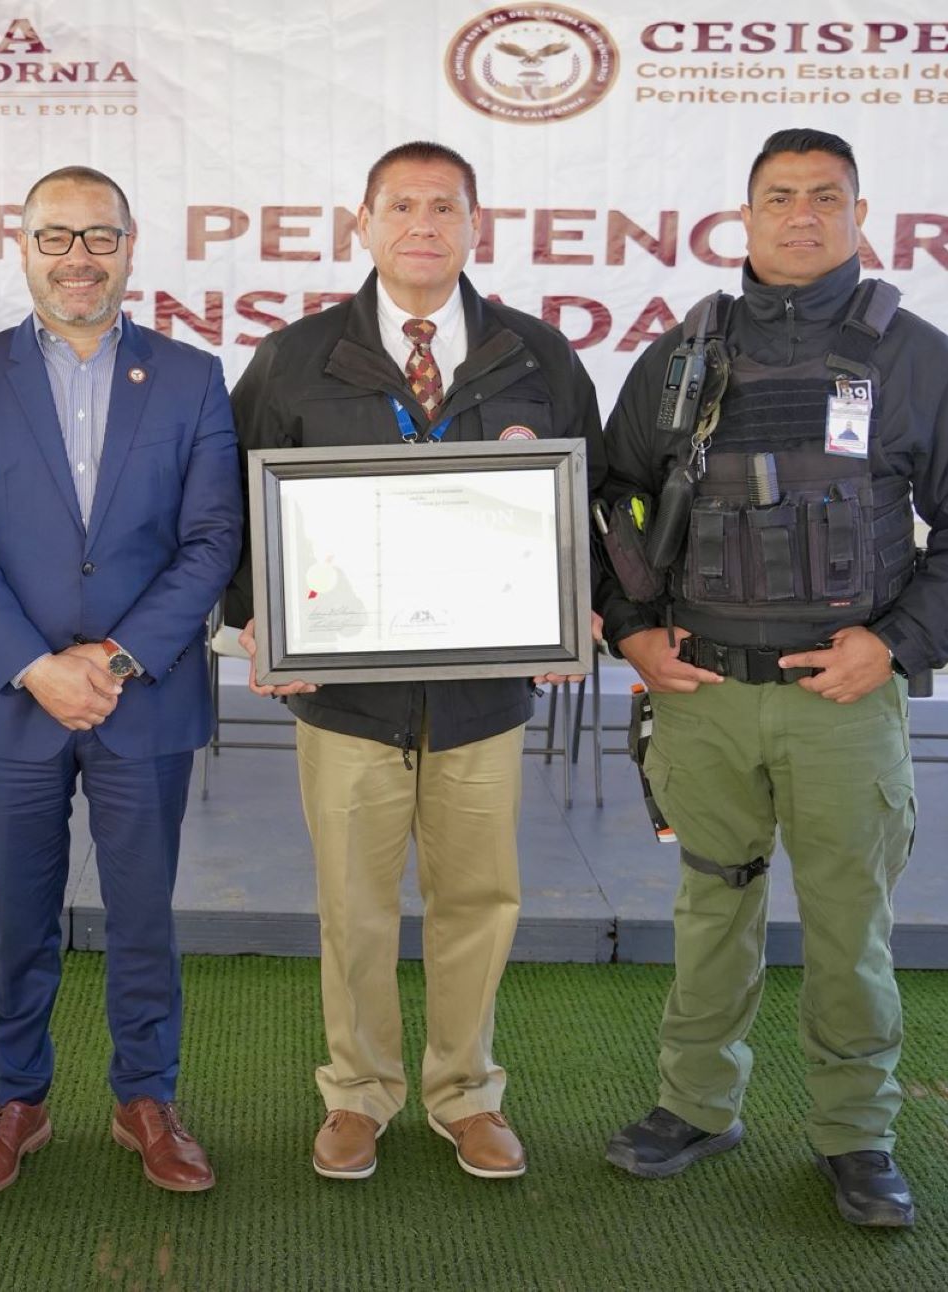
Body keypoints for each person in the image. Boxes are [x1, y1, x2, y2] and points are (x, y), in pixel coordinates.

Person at [595, 128, 948, 1228]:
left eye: (824, 197)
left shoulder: (916, 357)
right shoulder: (679, 355)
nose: (802, 215)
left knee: (850, 926)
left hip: (843, 703)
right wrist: (635, 633)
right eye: (779, 196)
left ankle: (857, 1133)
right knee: (712, 910)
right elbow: (614, 506)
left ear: (859, 212)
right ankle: (696, 1103)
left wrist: (897, 640)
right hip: (704, 695)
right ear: (742, 217)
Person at [224, 141, 602, 1182]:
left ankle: (465, 1091)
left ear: (478, 226)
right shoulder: (296, 357)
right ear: (363, 225)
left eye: (445, 205)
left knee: (481, 897)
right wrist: (256, 615)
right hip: (345, 697)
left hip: (484, 695)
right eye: (401, 204)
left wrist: (579, 608)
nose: (423, 222)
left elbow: (593, 504)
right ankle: (359, 1092)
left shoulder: (539, 357)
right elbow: (231, 503)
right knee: (354, 904)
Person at [0, 165, 241, 1197]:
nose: (77, 258)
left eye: (97, 237)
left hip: (140, 693)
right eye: (55, 237)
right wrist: (34, 663)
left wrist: (108, 659)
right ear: (21, 247)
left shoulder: (192, 378)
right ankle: (16, 1094)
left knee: (143, 911)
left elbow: (210, 541)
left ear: (132, 245)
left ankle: (146, 1095)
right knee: (22, 911)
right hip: (14, 697)